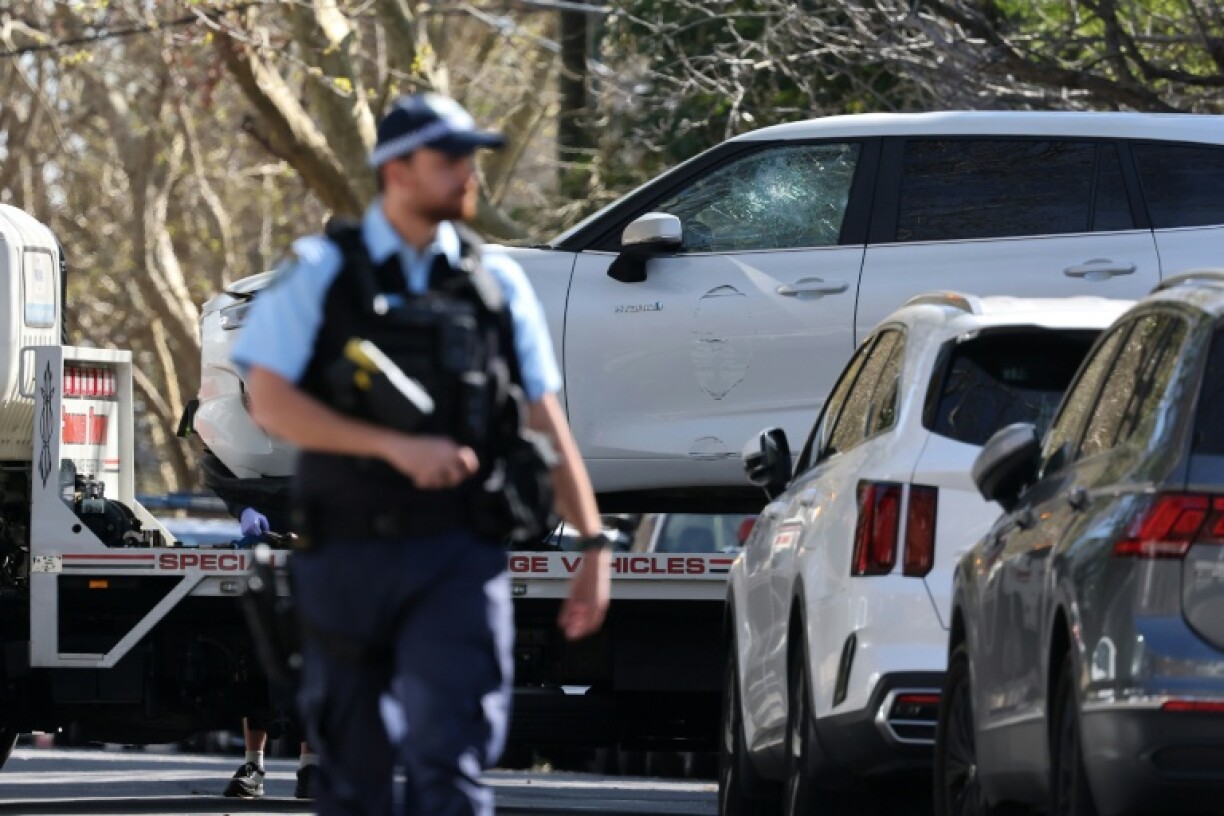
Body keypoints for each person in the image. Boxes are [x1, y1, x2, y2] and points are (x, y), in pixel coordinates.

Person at [229, 93, 612, 815]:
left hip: (458, 559)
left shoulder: (498, 287)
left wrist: (593, 546)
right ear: (397, 170)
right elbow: (269, 402)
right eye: (451, 159)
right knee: (353, 779)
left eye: (473, 157)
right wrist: (393, 446)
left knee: (452, 771)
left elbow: (547, 423)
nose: (470, 174)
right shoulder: (319, 272)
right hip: (348, 560)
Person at [221, 505, 318, 801]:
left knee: (313, 670)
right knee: (256, 664)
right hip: (268, 550)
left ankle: (311, 769)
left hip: (319, 552)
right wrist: (243, 509)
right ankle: (253, 766)